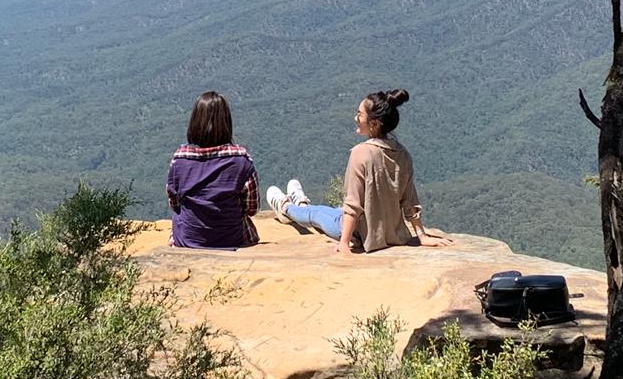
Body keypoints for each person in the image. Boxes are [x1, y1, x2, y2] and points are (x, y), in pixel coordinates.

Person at [267, 88, 452, 254]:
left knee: (315, 214)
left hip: (360, 234)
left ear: (374, 123)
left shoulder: (361, 153)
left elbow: (353, 204)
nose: (356, 118)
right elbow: (410, 201)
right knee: (332, 211)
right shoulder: (403, 154)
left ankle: (287, 207)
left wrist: (345, 243)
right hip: (393, 234)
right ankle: (298, 200)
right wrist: (422, 236)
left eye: (359, 114)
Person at [166, 91, 261, 249]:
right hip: (233, 240)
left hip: (188, 241)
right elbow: (251, 208)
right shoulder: (241, 158)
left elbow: (174, 203)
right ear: (226, 122)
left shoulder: (180, 159)